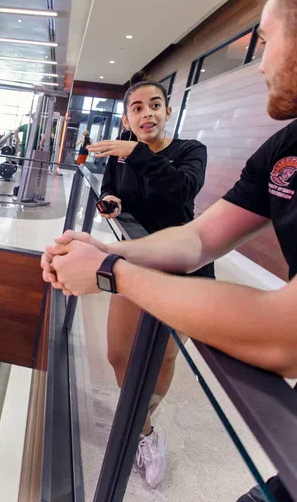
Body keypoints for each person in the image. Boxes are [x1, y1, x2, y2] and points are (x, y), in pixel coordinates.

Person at [42, 0, 297, 499]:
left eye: (267, 40)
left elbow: (287, 337)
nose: (259, 65)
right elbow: (199, 236)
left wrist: (112, 272)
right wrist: (104, 253)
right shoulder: (296, 143)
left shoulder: (190, 150)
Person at [88, 74, 212, 488]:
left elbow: (182, 191)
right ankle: (137, 424)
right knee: (119, 354)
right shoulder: (118, 155)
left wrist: (136, 152)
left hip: (184, 274)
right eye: (137, 107)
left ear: (168, 110)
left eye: (155, 104)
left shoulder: (190, 151)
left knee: (163, 357)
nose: (147, 113)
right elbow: (109, 188)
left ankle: (141, 427)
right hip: (135, 264)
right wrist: (112, 202)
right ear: (126, 116)